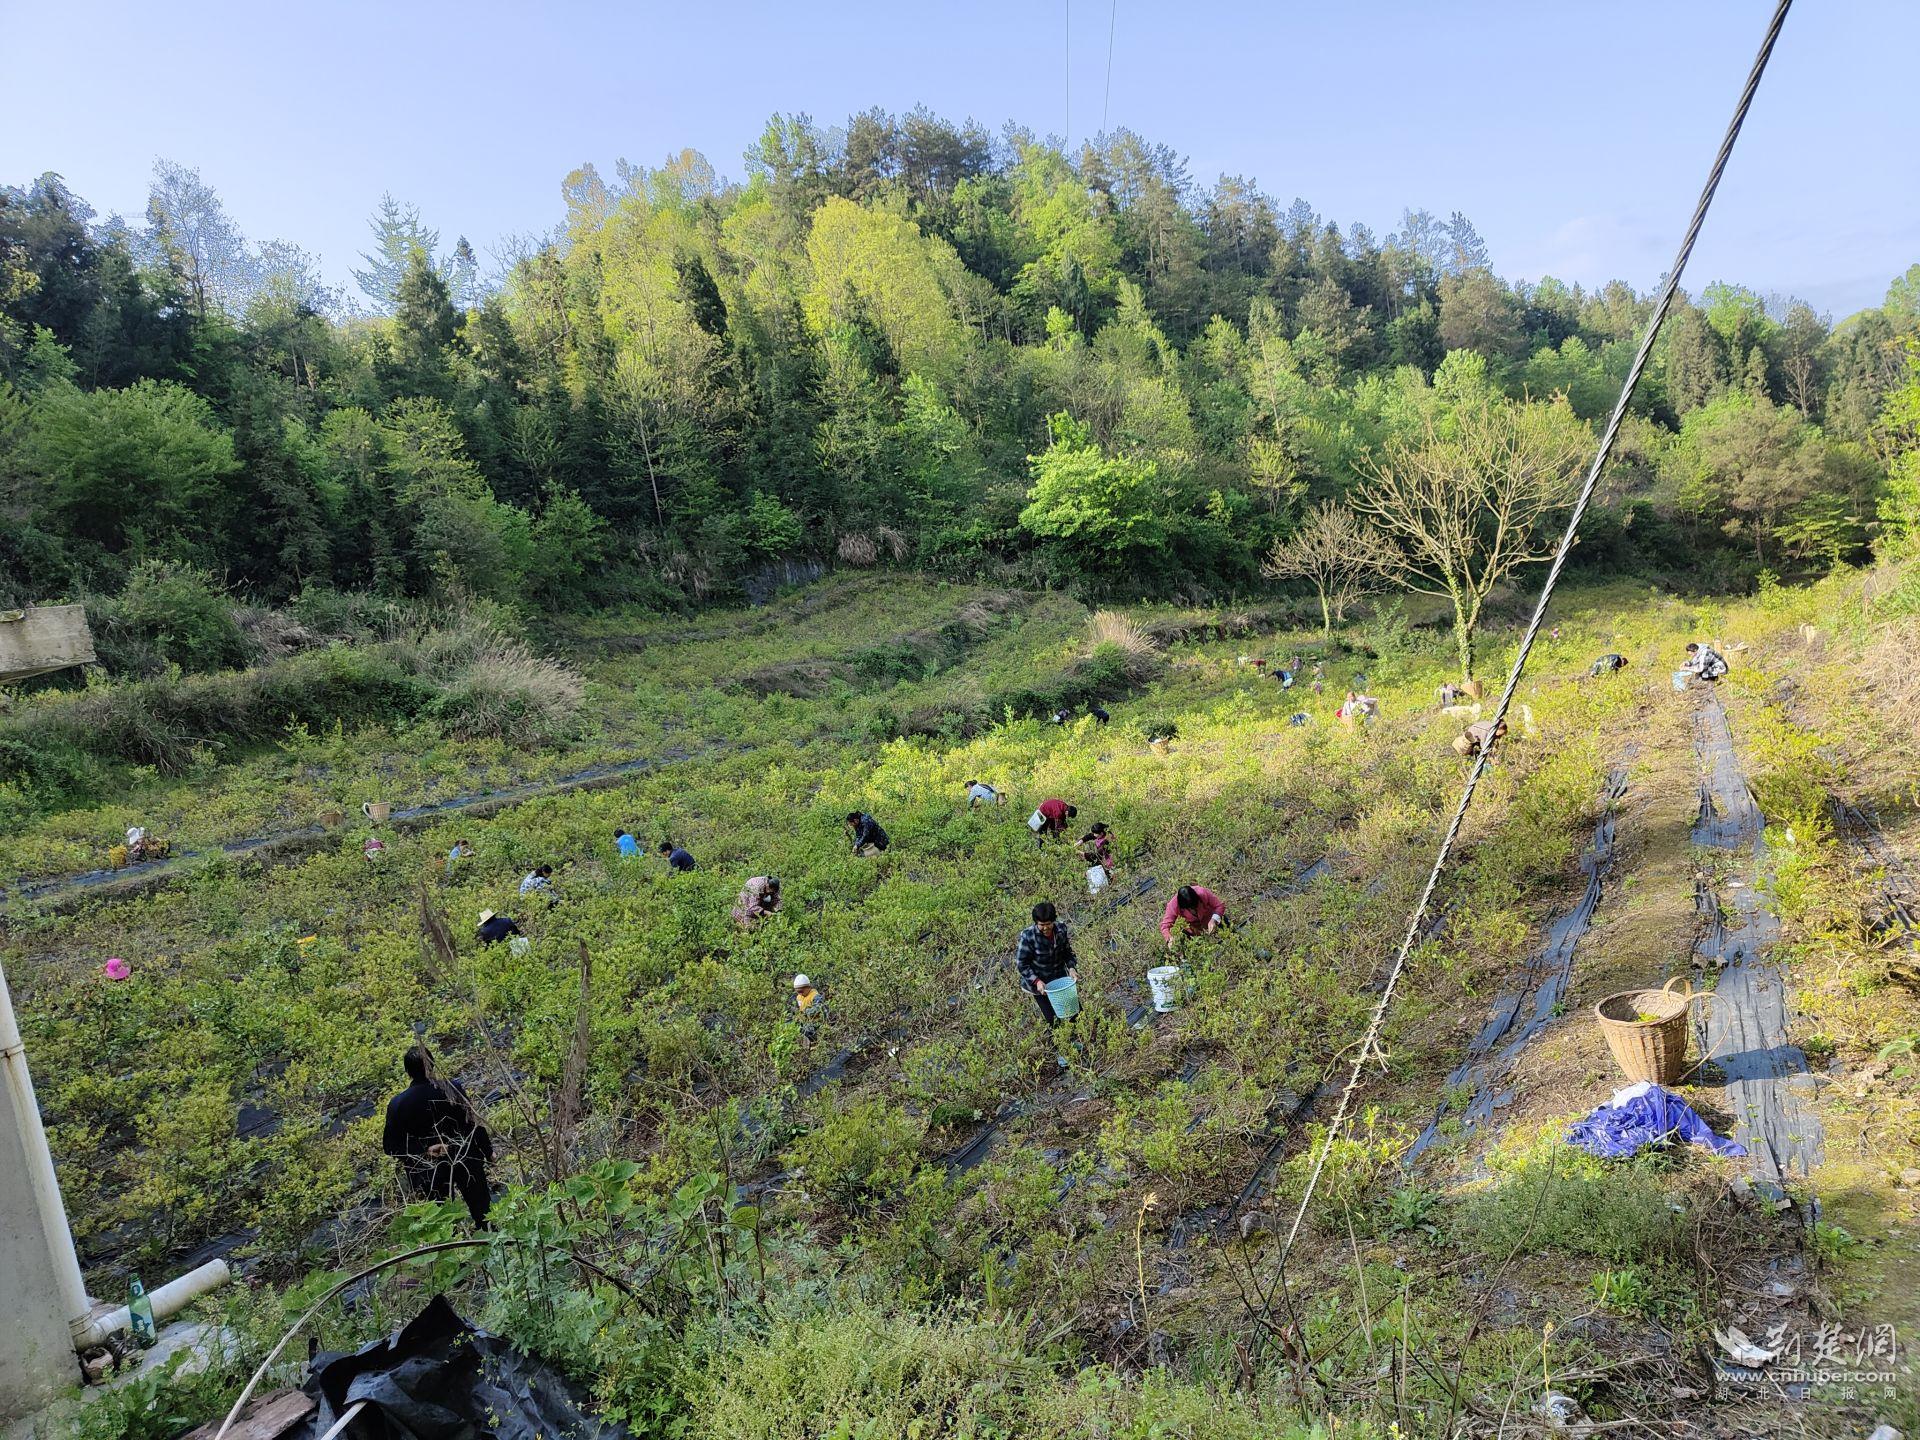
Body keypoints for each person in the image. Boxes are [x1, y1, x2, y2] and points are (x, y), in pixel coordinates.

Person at [381, 1045, 493, 1228]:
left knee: (441, 1224)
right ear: (432, 1065)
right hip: (465, 1157)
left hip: (427, 1170)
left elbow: (391, 1145)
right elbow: (472, 1123)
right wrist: (488, 1151)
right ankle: (494, 1246)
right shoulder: (452, 1089)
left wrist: (424, 1149)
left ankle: (454, 1250)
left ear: (407, 1071)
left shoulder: (398, 1104)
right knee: (484, 1214)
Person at [1015, 900, 1079, 1056]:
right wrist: (1036, 981)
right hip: (1040, 984)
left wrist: (1071, 968)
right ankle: (1062, 1053)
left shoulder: (1061, 930)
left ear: (1054, 921)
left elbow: (1067, 953)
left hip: (1059, 977)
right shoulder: (1028, 936)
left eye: (1048, 924)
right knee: (1054, 1019)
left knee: (1074, 1012)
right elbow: (1021, 963)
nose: (1045, 928)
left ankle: (1076, 1043)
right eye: (1041, 924)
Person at [1162, 884, 1228, 948]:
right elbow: (1165, 926)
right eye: (1189, 908)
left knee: (1223, 922)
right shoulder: (1173, 906)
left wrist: (1213, 920)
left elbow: (1219, 906)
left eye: (1194, 907)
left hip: (1209, 917)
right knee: (1185, 938)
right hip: (1194, 928)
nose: (1192, 910)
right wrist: (1170, 939)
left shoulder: (1202, 893)